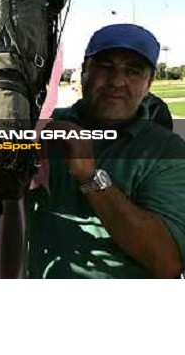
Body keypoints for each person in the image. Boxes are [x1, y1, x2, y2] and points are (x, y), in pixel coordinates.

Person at [25, 23, 185, 279]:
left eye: (133, 71)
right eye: (105, 66)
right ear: (84, 70)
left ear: (149, 83)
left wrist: (91, 178)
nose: (117, 81)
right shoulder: (45, 128)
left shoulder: (167, 150)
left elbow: (167, 263)